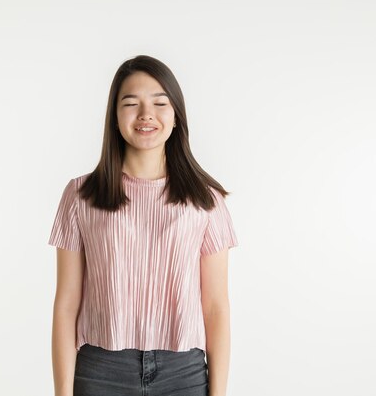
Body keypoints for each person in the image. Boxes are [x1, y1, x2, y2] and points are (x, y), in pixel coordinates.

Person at [48, 54, 239, 396]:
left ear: (176, 115)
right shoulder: (80, 195)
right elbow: (66, 305)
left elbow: (215, 307)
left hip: (183, 372)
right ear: (115, 117)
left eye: (159, 103)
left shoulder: (206, 200)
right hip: (100, 371)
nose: (146, 114)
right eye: (131, 103)